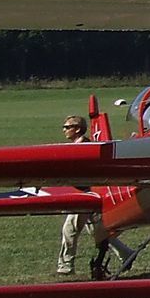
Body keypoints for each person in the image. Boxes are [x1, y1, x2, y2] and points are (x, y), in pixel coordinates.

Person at [56, 114, 108, 276]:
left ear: (77, 129)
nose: (64, 130)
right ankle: (126, 254)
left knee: (69, 229)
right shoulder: (77, 145)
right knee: (98, 232)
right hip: (88, 193)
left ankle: (65, 265)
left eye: (67, 127)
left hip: (88, 194)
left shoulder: (84, 147)